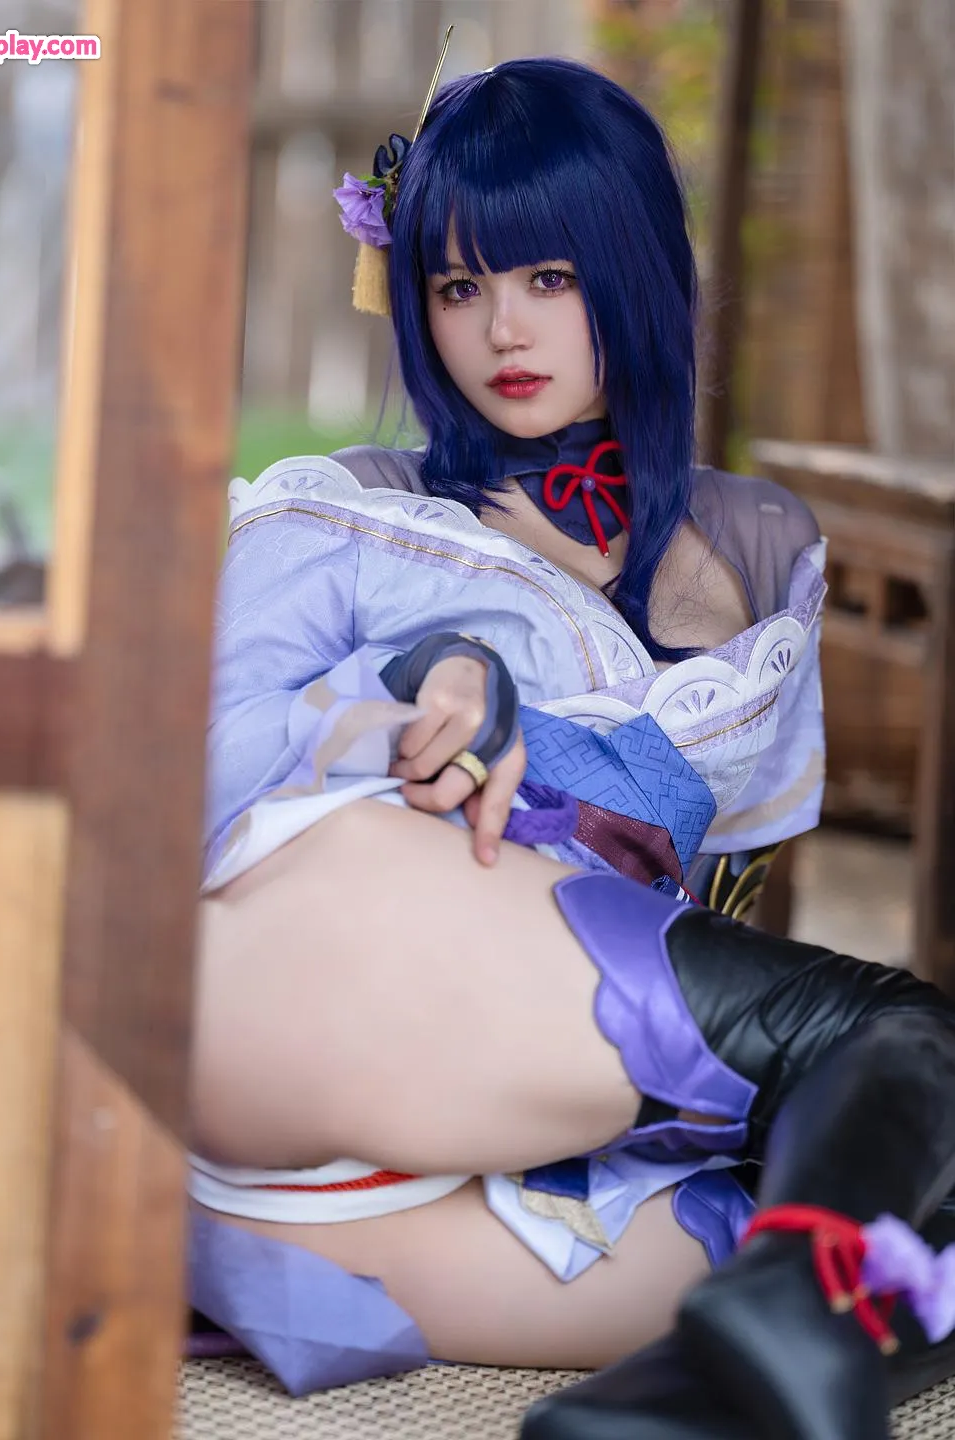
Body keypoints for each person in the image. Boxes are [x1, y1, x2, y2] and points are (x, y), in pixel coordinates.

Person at [185, 55, 955, 1434]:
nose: (502, 330)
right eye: (458, 286)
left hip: (510, 1147)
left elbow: (737, 888)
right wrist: (416, 686)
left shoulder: (756, 543)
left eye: (549, 276)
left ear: (636, 270)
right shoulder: (343, 513)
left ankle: (647, 1417)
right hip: (311, 997)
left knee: (913, 1232)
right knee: (897, 1031)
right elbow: (182, 761)